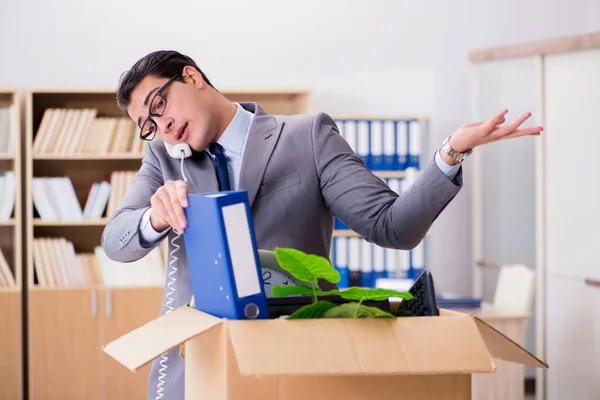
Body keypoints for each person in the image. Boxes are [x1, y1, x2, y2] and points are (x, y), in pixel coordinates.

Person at [101, 50, 542, 400]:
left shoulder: (306, 136)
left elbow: (393, 227)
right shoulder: (163, 160)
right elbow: (116, 241)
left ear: (192, 76)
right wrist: (153, 217)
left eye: (158, 104)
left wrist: (448, 156)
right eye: (149, 124)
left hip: (296, 363)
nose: (162, 126)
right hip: (201, 368)